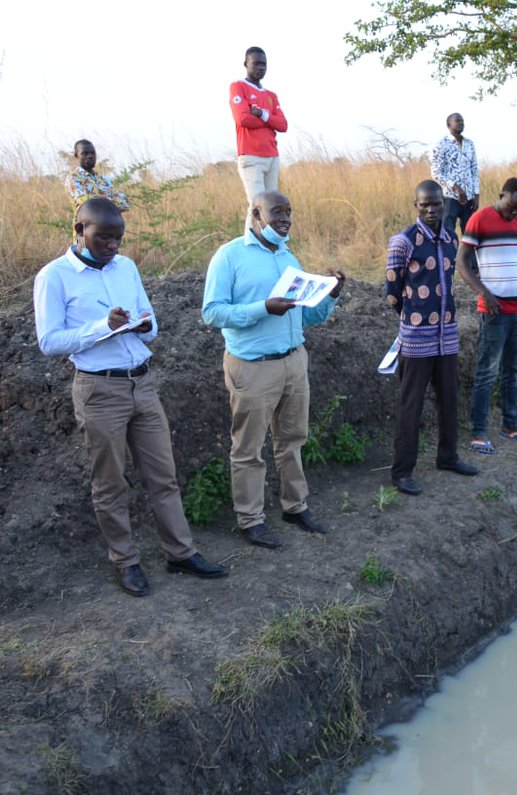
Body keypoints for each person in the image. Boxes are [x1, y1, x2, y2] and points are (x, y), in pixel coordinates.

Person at [33, 198, 228, 596]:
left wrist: (140, 325)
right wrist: (101, 327)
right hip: (99, 390)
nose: (112, 246)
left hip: (142, 383)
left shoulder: (126, 267)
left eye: (118, 238)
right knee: (110, 482)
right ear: (80, 230)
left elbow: (151, 323)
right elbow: (49, 341)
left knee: (163, 476)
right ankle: (125, 561)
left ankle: (180, 553)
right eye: (103, 237)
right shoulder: (54, 277)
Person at [202, 191, 344, 548]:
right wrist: (263, 308)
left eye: (289, 212)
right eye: (276, 212)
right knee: (248, 448)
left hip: (294, 361)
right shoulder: (229, 256)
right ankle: (250, 519)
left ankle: (295, 506)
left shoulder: (287, 256)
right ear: (256, 214)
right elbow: (212, 312)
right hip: (253, 367)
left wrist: (331, 295)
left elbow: (304, 316)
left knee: (292, 439)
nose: (285, 219)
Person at [386, 180, 479, 495]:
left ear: (443, 204)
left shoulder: (451, 238)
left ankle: (448, 457)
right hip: (416, 339)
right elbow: (393, 293)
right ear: (416, 205)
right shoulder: (403, 242)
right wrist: (415, 316)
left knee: (450, 399)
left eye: (436, 204)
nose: (431, 210)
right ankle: (401, 472)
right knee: (410, 405)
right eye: (425, 204)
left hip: (447, 335)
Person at [456, 177, 517, 455]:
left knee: (513, 370)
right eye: (511, 206)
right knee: (487, 372)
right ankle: (479, 432)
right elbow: (461, 262)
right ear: (502, 194)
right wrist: (484, 292)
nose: (514, 213)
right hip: (494, 312)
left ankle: (511, 424)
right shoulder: (479, 219)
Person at [230, 47, 288, 223]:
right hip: (251, 156)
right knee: (257, 206)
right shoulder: (238, 87)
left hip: (272, 156)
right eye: (256, 63)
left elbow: (283, 125)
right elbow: (242, 119)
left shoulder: (271, 96)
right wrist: (270, 121)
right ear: (246, 63)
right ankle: (250, 240)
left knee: (271, 207)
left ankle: (267, 240)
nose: (260, 68)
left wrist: (262, 114)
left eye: (264, 64)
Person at [431, 112, 480, 237]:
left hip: (469, 197)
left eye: (462, 121)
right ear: (449, 125)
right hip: (450, 197)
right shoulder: (442, 144)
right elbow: (436, 172)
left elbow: (474, 170)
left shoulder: (469, 144)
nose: (461, 123)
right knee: (448, 234)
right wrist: (455, 188)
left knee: (470, 235)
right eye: (457, 120)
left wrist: (476, 195)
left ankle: (467, 252)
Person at [64, 140, 130, 213]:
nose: (90, 156)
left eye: (93, 153)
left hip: (111, 220)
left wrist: (102, 201)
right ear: (76, 155)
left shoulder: (104, 180)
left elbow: (124, 204)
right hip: (88, 220)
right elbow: (88, 204)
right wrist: (111, 202)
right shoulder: (73, 178)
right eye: (85, 153)